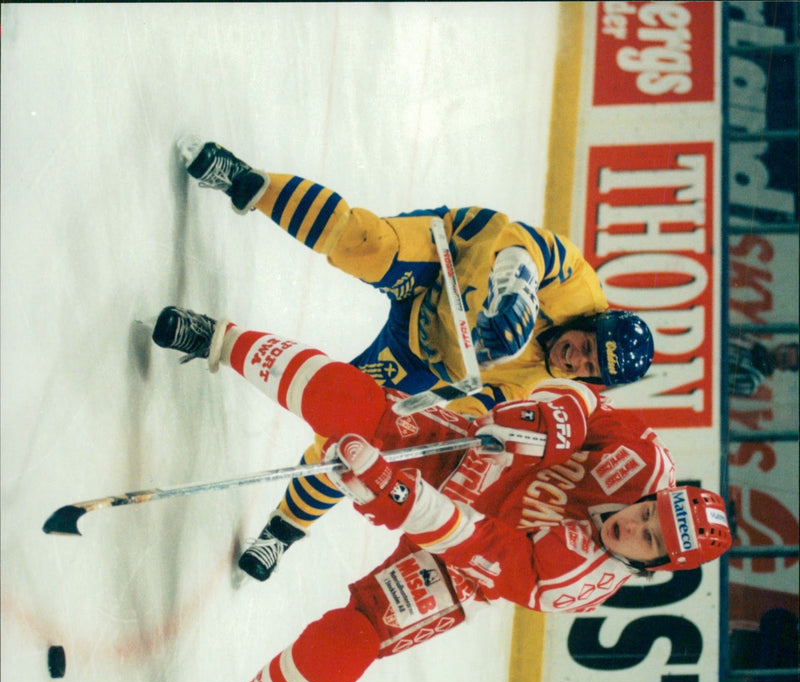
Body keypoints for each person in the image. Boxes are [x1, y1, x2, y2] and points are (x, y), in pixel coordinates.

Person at [150, 305, 731, 682]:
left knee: (362, 633)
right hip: (485, 456)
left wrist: (389, 490)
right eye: (650, 513)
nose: (634, 525)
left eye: (648, 541)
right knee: (365, 412)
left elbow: (476, 545)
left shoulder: (578, 584)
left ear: (652, 567)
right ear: (660, 495)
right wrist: (551, 424)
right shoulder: (646, 457)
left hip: (460, 560)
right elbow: (585, 399)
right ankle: (222, 342)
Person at [178, 138, 655, 583]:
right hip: (449, 264)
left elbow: (485, 403)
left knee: (351, 437)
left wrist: (465, 421)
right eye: (587, 346)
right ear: (593, 321)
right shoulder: (579, 290)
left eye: (587, 368)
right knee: (364, 241)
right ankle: (245, 181)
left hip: (423, 355)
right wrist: (517, 291)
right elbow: (525, 245)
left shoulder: (548, 382)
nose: (575, 360)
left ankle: (282, 529)